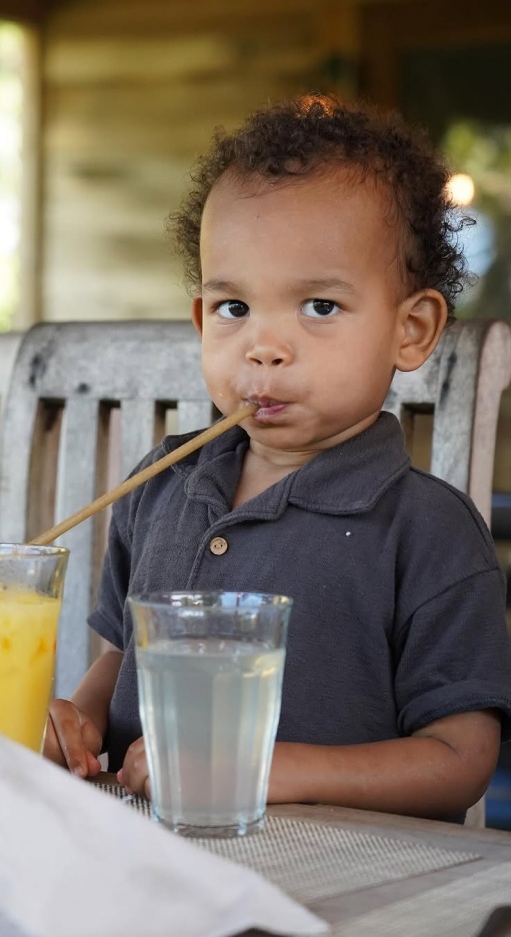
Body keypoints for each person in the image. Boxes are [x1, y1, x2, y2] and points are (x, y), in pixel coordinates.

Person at [43, 93, 511, 820]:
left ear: (411, 329)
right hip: (146, 857)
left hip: (348, 885)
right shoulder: (161, 485)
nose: (265, 344)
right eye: (235, 308)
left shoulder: (429, 531)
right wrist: (81, 719)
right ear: (202, 319)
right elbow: (123, 660)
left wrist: (272, 767)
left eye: (319, 306)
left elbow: (460, 759)